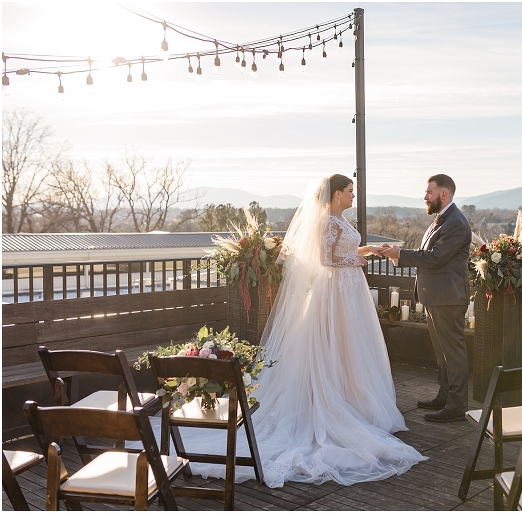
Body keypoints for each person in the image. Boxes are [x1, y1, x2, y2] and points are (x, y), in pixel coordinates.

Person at [169, 174, 427, 488]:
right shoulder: (327, 224)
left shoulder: (341, 222)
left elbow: (342, 253)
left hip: (348, 290)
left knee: (350, 346)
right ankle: (336, 403)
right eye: (349, 192)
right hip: (335, 293)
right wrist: (355, 261)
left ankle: (353, 396)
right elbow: (326, 259)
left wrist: (367, 250)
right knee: (333, 343)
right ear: (334, 196)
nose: (352, 196)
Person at [379, 174, 472, 422]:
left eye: (429, 192)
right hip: (437, 296)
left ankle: (457, 406)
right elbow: (428, 254)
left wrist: (400, 254)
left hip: (449, 297)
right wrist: (399, 254)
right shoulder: (440, 220)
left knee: (453, 352)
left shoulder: (456, 223)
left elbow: (435, 257)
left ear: (443, 194)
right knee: (442, 352)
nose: (425, 197)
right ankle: (445, 396)